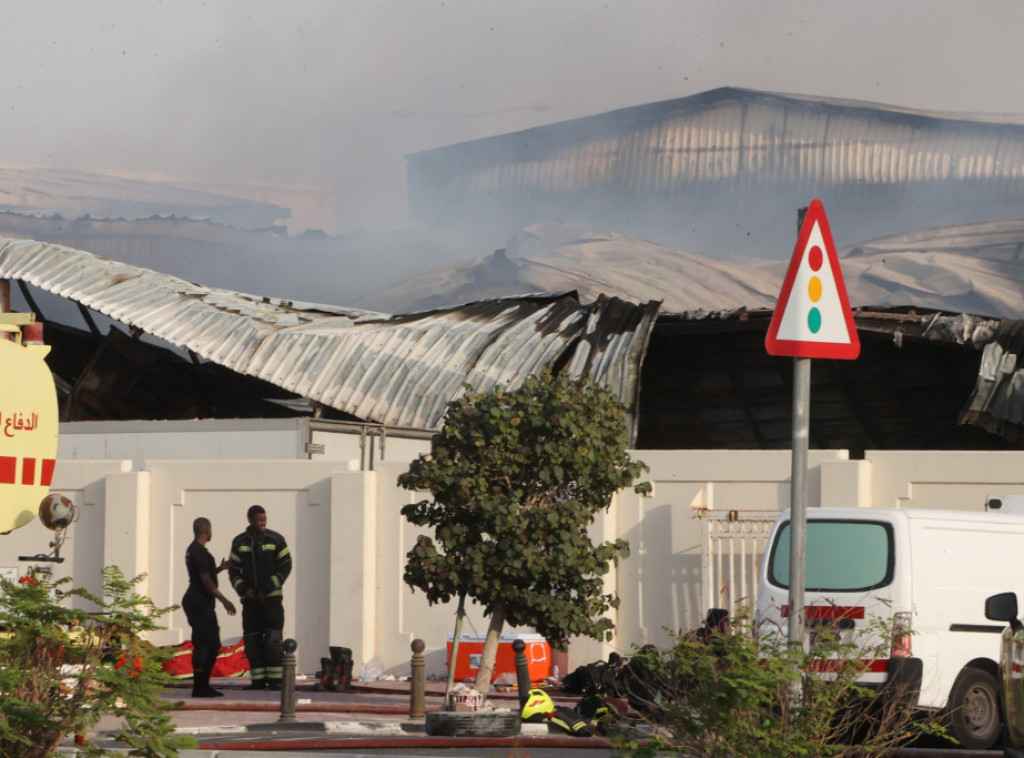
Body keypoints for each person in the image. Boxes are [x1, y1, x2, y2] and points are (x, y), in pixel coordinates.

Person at [228, 504, 293, 690]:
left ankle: (275, 681)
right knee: (251, 641)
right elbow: (233, 570)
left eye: (264, 519)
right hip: (250, 602)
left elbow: (286, 565)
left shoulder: (276, 539)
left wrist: (267, 588)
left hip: (272, 601)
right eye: (259, 520)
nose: (263, 523)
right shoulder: (239, 542)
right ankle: (257, 680)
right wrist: (244, 590)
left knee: (273, 640)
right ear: (250, 520)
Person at [182, 517, 236, 698]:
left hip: (201, 603)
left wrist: (220, 568)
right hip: (198, 603)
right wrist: (224, 600)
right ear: (207, 531)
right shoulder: (199, 552)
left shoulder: (194, 550)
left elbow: (203, 574)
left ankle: (204, 685)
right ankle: (199, 687)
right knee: (203, 644)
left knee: (213, 644)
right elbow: (205, 580)